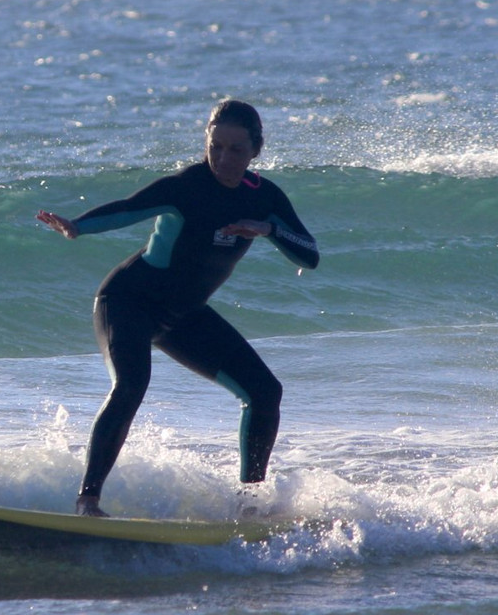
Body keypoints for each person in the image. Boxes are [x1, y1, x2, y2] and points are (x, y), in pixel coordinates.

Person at [36, 99, 319, 517]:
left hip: (182, 315)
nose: (223, 158)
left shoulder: (265, 198)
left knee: (264, 392)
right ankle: (87, 501)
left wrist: (269, 229)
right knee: (131, 383)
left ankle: (249, 505)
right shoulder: (187, 186)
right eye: (215, 146)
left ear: (256, 151)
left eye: (236, 150)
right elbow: (128, 208)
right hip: (128, 301)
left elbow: (309, 254)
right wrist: (78, 226)